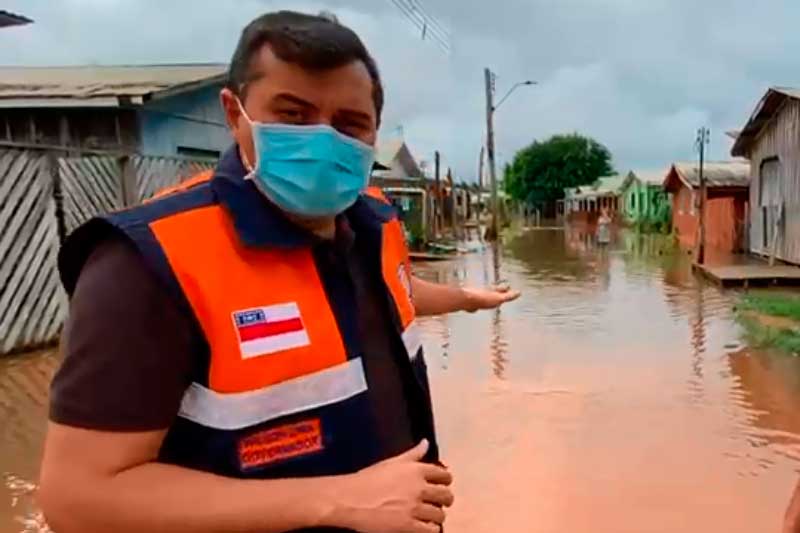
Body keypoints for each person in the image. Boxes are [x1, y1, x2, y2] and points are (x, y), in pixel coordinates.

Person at [39, 11, 518, 533]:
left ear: (373, 133)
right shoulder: (147, 265)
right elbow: (79, 500)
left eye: (349, 124)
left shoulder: (374, 223)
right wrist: (340, 499)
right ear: (234, 113)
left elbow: (390, 294)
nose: (323, 140)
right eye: (293, 114)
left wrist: (468, 297)